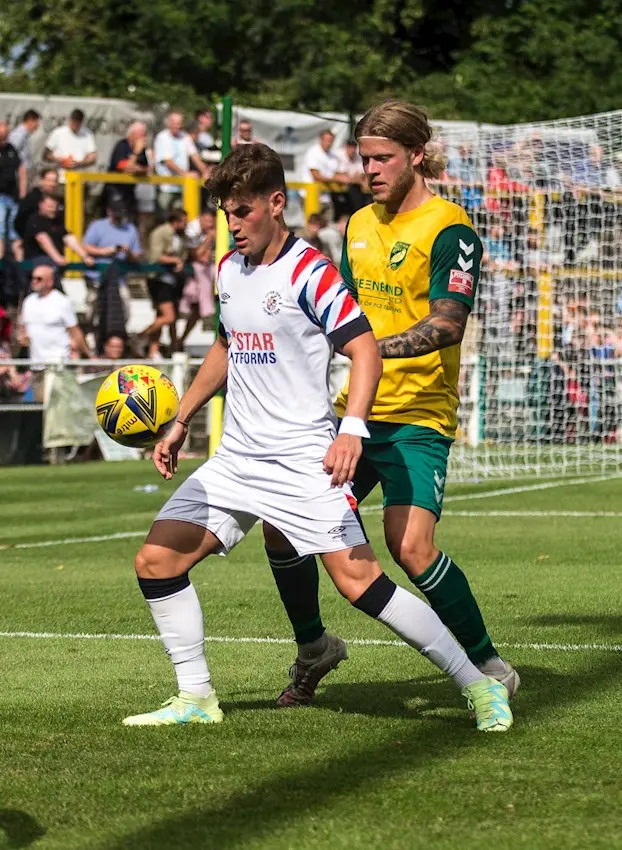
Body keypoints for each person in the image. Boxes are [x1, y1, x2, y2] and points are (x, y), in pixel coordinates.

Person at [121, 142, 512, 732]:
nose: (233, 224)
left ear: (276, 204)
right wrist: (181, 420)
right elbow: (226, 347)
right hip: (237, 461)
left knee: (361, 583)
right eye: (226, 213)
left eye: (243, 211)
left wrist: (351, 430)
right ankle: (196, 696)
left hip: (302, 459)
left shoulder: (311, 271)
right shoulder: (229, 270)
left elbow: (361, 350)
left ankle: (479, 684)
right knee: (155, 561)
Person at [262, 99, 520, 708]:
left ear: (416, 155)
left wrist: (368, 349)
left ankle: (488, 663)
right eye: (364, 158)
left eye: (383, 158)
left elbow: (449, 323)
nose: (370, 169)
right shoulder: (356, 224)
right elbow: (340, 312)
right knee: (282, 529)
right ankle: (313, 647)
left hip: (417, 415)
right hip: (354, 411)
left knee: (410, 548)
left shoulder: (450, 227)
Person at [18, 264, 92, 399]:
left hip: (58, 366)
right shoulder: (28, 301)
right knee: (40, 410)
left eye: (39, 278)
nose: (34, 281)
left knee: (58, 411)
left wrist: (89, 355)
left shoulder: (61, 301)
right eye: (32, 278)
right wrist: (22, 337)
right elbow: (23, 329)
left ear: (50, 281)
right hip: (36, 366)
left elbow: (74, 331)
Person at [140, 208, 188, 357]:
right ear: (176, 221)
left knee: (161, 316)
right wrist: (175, 260)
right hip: (158, 279)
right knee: (169, 316)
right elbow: (155, 256)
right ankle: (140, 336)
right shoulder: (160, 233)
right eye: (184, 222)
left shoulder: (180, 236)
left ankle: (152, 352)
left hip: (171, 280)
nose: (186, 225)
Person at [23, 193, 94, 273]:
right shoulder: (35, 220)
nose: (53, 209)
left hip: (54, 265)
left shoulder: (57, 221)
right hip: (37, 263)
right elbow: (42, 239)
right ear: (41, 205)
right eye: (50, 206)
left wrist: (85, 256)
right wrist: (57, 257)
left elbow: (68, 238)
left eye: (55, 206)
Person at [154, 111, 208, 213]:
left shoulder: (184, 137)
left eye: (179, 123)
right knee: (164, 217)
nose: (177, 126)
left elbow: (194, 156)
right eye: (174, 123)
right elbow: (167, 162)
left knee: (182, 218)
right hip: (166, 187)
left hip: (183, 187)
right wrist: (185, 174)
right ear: (168, 123)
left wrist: (205, 171)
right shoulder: (162, 137)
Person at [179, 209, 217, 345]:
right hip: (183, 274)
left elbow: (205, 256)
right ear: (201, 218)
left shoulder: (211, 230)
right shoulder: (191, 231)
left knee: (195, 313)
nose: (210, 224)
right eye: (207, 221)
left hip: (199, 274)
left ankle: (179, 342)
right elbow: (198, 255)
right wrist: (209, 238)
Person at [108, 121, 151, 219]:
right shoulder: (122, 145)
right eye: (142, 135)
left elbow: (147, 169)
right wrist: (136, 152)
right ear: (132, 134)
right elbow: (126, 168)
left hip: (130, 192)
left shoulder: (142, 151)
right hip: (115, 190)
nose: (144, 138)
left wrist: (137, 168)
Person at [43, 109, 97, 183]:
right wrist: (60, 160)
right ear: (70, 120)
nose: (75, 125)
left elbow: (92, 157)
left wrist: (79, 163)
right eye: (73, 121)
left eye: (77, 123)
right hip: (60, 179)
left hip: (79, 179)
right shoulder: (58, 132)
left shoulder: (87, 134)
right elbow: (46, 154)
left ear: (81, 122)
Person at [0, 120, 26, 260]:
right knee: (0, 228)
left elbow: (21, 169)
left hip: (12, 196)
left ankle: (19, 262)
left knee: (15, 230)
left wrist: (22, 192)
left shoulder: (10, 149)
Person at [14, 168, 62, 240]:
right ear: (42, 180)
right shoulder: (31, 199)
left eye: (54, 181)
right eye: (49, 181)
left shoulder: (60, 200)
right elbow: (20, 221)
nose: (52, 184)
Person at [8, 109, 41, 180]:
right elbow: (10, 154)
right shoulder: (19, 134)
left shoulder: (24, 134)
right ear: (30, 120)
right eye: (37, 122)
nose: (37, 126)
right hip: (18, 175)